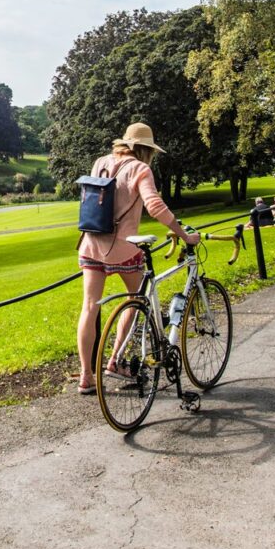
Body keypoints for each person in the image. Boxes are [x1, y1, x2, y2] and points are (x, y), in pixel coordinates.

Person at [76, 122, 199, 395]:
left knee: (89, 308)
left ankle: (86, 377)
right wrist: (181, 233)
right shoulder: (141, 169)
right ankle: (115, 360)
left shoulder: (100, 162)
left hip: (91, 243)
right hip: (122, 247)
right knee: (135, 298)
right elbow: (154, 205)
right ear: (145, 149)